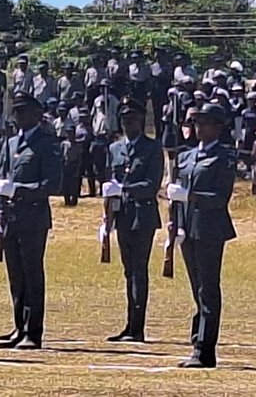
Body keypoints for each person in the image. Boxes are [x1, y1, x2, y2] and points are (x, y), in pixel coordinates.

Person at [0, 92, 63, 351]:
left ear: (36, 115)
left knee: (32, 275)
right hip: (10, 218)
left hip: (33, 218)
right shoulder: (10, 144)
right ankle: (19, 326)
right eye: (16, 112)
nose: (19, 116)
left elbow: (52, 185)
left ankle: (33, 331)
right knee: (15, 276)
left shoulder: (47, 144)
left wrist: (20, 189)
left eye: (24, 112)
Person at [169, 100, 236, 368]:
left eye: (205, 123)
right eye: (196, 122)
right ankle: (197, 339)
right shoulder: (185, 156)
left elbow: (220, 197)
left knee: (208, 288)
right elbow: (176, 197)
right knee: (196, 287)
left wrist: (190, 196)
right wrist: (175, 221)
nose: (199, 127)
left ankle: (205, 349)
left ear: (217, 127)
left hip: (210, 228)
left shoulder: (224, 157)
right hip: (188, 228)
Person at [104, 96, 163, 344]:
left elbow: (151, 185)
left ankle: (137, 327)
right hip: (122, 216)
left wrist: (124, 189)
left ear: (141, 120)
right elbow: (110, 184)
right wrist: (106, 218)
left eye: (133, 119)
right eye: (125, 119)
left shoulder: (152, 148)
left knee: (139, 271)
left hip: (143, 215)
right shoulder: (115, 149)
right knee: (129, 272)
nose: (129, 123)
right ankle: (129, 324)